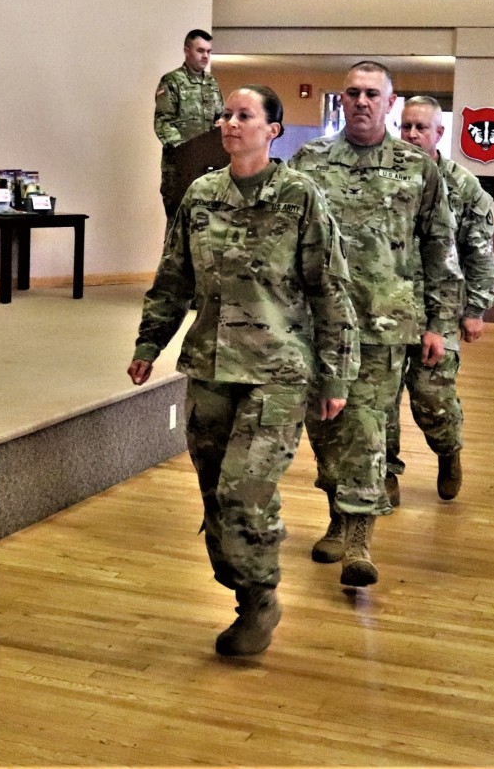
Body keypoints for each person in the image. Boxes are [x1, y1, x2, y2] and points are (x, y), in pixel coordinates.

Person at [129, 85, 360, 657]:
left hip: (279, 373)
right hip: (210, 368)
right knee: (214, 493)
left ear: (272, 130)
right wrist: (148, 343)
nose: (231, 123)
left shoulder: (301, 197)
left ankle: (259, 598)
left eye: (245, 115)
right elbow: (173, 275)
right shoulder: (201, 195)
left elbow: (331, 291)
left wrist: (336, 376)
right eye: (226, 114)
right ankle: (241, 591)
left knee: (244, 490)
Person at [289, 62, 463, 587]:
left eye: (373, 94)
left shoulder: (416, 167)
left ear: (390, 104)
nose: (362, 101)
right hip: (318, 324)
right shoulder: (309, 161)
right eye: (353, 93)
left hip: (384, 324)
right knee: (323, 427)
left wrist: (441, 323)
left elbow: (440, 248)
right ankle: (338, 517)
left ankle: (359, 540)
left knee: (365, 428)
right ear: (341, 101)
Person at [386, 95, 494, 504]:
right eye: (405, 127)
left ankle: (448, 451)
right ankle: (386, 472)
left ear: (439, 132)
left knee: (432, 397)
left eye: (420, 128)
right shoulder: (386, 177)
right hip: (386, 307)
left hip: (440, 307)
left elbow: (479, 251)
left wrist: (476, 309)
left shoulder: (463, 186)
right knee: (379, 400)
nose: (411, 135)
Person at [154, 29, 224, 231]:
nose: (205, 56)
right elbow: (163, 122)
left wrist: (222, 126)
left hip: (208, 169)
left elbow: (220, 117)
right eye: (200, 50)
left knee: (206, 226)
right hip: (179, 169)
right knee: (178, 225)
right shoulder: (172, 81)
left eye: (209, 51)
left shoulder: (212, 84)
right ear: (187, 51)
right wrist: (187, 151)